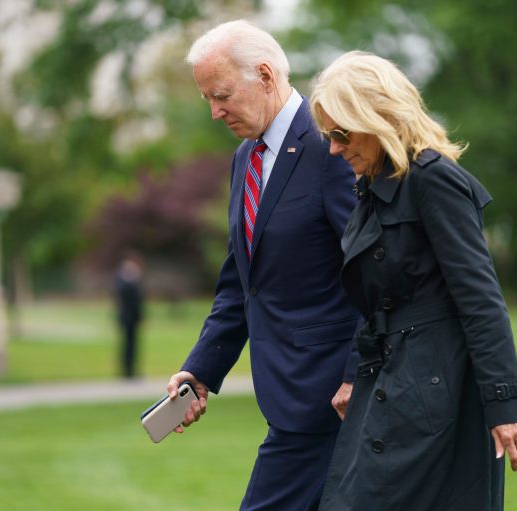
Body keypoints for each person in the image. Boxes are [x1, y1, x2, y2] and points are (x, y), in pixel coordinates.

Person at [309, 51, 517, 511]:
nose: (334, 148)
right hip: (389, 381)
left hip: (436, 391)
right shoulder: (372, 189)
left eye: (340, 132)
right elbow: (378, 301)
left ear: (376, 116)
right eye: (328, 136)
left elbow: (481, 300)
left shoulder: (434, 180)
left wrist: (506, 405)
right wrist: (353, 377)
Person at [165, 20, 360, 511]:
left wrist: (360, 373)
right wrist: (199, 371)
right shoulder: (245, 158)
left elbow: (374, 271)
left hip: (334, 400)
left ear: (267, 76)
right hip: (288, 399)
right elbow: (240, 286)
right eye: (207, 98)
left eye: (222, 94)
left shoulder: (329, 149)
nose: (214, 111)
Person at [114, 254, 145, 379]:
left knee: (132, 345)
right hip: (128, 319)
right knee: (128, 345)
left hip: (132, 319)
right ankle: (127, 370)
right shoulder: (126, 283)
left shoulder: (127, 282)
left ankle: (131, 369)